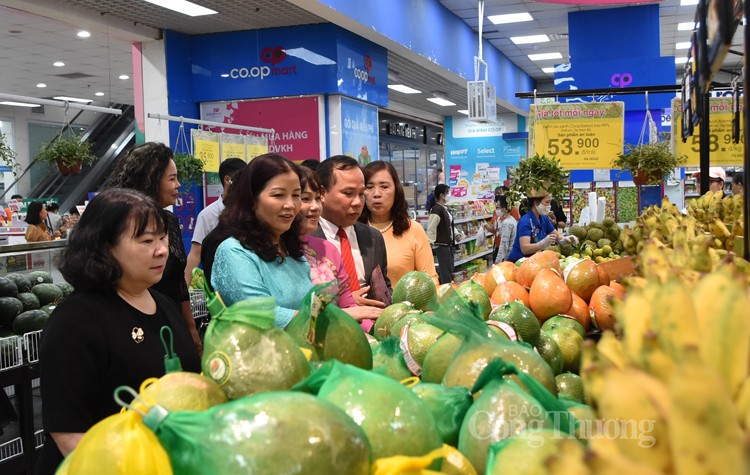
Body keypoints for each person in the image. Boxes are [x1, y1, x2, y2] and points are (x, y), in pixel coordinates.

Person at [37, 188, 201, 474]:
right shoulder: (76, 320)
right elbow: (67, 431)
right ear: (103, 247)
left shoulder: (163, 303)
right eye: (147, 240)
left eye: (162, 238)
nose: (161, 249)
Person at [107, 142, 201, 353]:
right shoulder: (120, 224)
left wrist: (190, 328)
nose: (178, 185)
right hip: (137, 325)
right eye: (172, 179)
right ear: (150, 181)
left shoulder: (170, 221)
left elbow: (179, 282)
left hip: (172, 320)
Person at [210, 154, 312, 329]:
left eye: (296, 195)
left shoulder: (291, 248)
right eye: (279, 195)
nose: (290, 205)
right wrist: (331, 321)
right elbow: (263, 315)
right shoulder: (234, 251)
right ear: (251, 199)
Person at [298, 167, 381, 320]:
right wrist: (344, 314)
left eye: (316, 198)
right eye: (304, 199)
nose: (315, 207)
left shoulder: (327, 249)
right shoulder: (253, 252)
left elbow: (348, 304)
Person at [311, 155, 391, 308]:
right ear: (322, 193)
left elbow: (383, 287)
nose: (357, 202)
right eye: (348, 193)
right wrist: (344, 302)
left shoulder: (373, 237)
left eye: (361, 194)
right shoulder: (305, 239)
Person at [360, 161, 438, 286]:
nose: (376, 194)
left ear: (396, 190)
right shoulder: (351, 231)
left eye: (384, 187)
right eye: (369, 187)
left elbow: (430, 280)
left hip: (406, 305)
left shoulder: (413, 229)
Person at [185, 158, 246, 286]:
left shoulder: (251, 211)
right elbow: (195, 253)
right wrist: (183, 291)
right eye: (241, 179)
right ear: (227, 180)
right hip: (217, 287)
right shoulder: (207, 214)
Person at [507, 192, 577, 262]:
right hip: (518, 262)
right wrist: (541, 244)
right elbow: (525, 249)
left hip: (534, 260)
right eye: (547, 202)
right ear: (537, 203)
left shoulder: (543, 218)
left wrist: (566, 240)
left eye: (550, 202)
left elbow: (557, 235)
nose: (549, 206)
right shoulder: (525, 221)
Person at [427, 184, 455, 284]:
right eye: (448, 192)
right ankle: (445, 295)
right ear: (442, 195)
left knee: (449, 269)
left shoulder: (444, 208)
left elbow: (448, 224)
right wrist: (430, 243)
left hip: (448, 245)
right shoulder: (436, 209)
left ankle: (448, 292)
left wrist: (456, 234)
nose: (449, 195)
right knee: (445, 273)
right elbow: (431, 228)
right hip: (441, 246)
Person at [495, 195, 518, 264]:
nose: (496, 210)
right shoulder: (512, 219)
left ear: (504, 209)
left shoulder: (506, 223)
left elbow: (504, 245)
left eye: (497, 207)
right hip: (513, 255)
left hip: (508, 258)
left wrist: (497, 262)